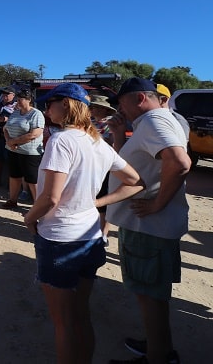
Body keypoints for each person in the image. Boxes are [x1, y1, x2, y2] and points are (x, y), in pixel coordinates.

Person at [24, 83, 142, 364]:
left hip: (60, 240)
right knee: (80, 315)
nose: (46, 108)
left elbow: (51, 197)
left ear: (65, 104)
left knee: (63, 323)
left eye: (49, 103)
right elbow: (135, 182)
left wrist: (29, 218)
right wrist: (95, 204)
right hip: (90, 238)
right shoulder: (97, 143)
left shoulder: (61, 140)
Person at [104, 78, 191, 364]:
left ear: (140, 98)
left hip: (147, 228)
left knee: (149, 297)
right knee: (153, 295)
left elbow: (179, 163)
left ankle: (157, 357)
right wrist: (119, 137)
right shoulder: (158, 121)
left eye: (122, 102)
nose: (120, 108)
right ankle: (160, 349)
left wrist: (156, 203)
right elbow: (139, 164)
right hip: (149, 227)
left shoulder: (154, 121)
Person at [2, 88, 44, 209]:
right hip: (13, 150)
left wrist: (14, 141)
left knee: (32, 179)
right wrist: (9, 141)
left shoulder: (36, 114)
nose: (18, 102)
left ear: (29, 100)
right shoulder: (15, 113)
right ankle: (12, 200)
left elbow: (34, 134)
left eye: (21, 99)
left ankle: (38, 207)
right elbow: (6, 128)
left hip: (30, 152)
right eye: (18, 99)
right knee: (14, 176)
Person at [89, 94, 118, 244]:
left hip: (105, 166)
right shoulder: (89, 122)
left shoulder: (111, 124)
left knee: (104, 201)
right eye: (91, 106)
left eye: (95, 107)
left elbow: (112, 144)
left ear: (104, 109)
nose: (91, 109)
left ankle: (103, 234)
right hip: (89, 165)